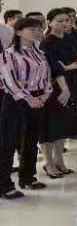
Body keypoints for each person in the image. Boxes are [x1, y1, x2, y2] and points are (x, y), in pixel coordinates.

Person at [0, 16, 52, 199]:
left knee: (31, 140)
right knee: (8, 143)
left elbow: (47, 76)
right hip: (16, 101)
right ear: (19, 32)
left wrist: (45, 94)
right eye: (32, 29)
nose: (37, 33)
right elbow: (9, 81)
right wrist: (29, 98)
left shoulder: (39, 52)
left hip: (38, 99)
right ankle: (4, 185)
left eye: (39, 29)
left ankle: (28, 177)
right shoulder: (8, 53)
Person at [39, 8, 77, 178]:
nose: (65, 23)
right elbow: (53, 67)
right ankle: (48, 163)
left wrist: (69, 67)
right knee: (50, 127)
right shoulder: (47, 42)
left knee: (63, 126)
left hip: (71, 84)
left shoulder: (70, 38)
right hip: (53, 88)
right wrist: (67, 69)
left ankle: (59, 160)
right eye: (60, 20)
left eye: (67, 20)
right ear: (50, 22)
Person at [62, 7, 77, 140]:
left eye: (73, 16)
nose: (71, 19)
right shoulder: (55, 35)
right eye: (68, 16)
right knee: (63, 104)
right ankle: (62, 132)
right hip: (61, 74)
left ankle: (75, 130)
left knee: (75, 102)